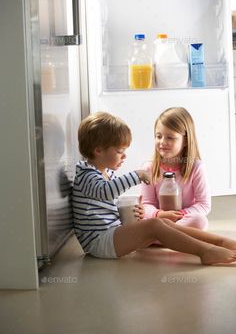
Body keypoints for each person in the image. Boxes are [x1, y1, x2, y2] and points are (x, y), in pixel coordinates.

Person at [72, 111, 236, 265]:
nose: (124, 156)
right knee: (155, 226)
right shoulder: (87, 175)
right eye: (120, 151)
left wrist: (135, 213)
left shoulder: (103, 173)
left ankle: (220, 241)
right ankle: (205, 251)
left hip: (111, 234)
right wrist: (135, 176)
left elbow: (107, 203)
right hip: (100, 242)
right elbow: (106, 191)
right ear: (99, 150)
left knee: (160, 222)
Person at [141, 107, 210, 230]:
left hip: (183, 220)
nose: (162, 142)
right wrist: (159, 214)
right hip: (159, 221)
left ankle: (158, 237)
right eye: (158, 136)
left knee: (200, 221)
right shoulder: (149, 168)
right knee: (136, 217)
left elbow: (204, 205)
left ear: (185, 141)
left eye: (170, 137)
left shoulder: (196, 167)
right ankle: (167, 236)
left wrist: (181, 215)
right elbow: (147, 204)